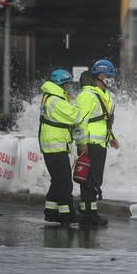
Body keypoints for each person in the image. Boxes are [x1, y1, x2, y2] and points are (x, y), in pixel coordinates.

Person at [74, 59, 119, 228]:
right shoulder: (87, 95)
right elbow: (80, 122)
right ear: (100, 76)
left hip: (100, 143)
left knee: (95, 180)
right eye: (109, 76)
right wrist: (82, 144)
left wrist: (111, 137)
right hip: (90, 143)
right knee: (89, 181)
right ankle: (88, 216)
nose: (111, 79)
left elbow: (103, 121)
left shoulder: (104, 94)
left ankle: (89, 213)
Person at [39, 69, 82, 225]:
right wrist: (75, 103)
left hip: (51, 145)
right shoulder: (56, 101)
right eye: (67, 84)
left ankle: (50, 212)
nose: (68, 88)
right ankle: (67, 215)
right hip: (56, 145)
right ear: (61, 84)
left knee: (57, 180)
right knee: (64, 182)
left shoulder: (49, 96)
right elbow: (75, 116)